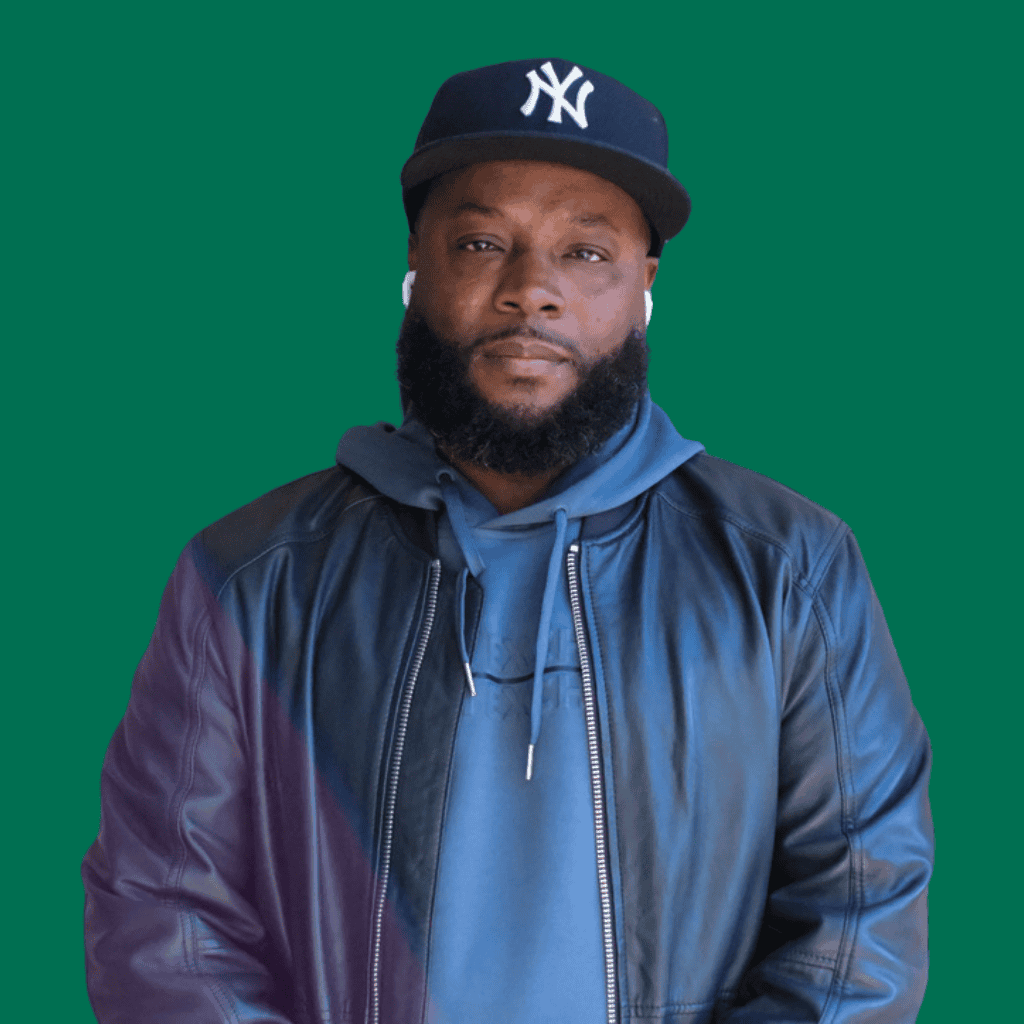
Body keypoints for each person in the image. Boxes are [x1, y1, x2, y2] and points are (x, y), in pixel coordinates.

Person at [82, 58, 933, 1024]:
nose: (531, 292)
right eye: (484, 242)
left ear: (645, 284)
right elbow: (162, 918)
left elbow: (860, 920)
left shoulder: (790, 570)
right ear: (416, 264)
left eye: (584, 252)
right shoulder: (249, 577)